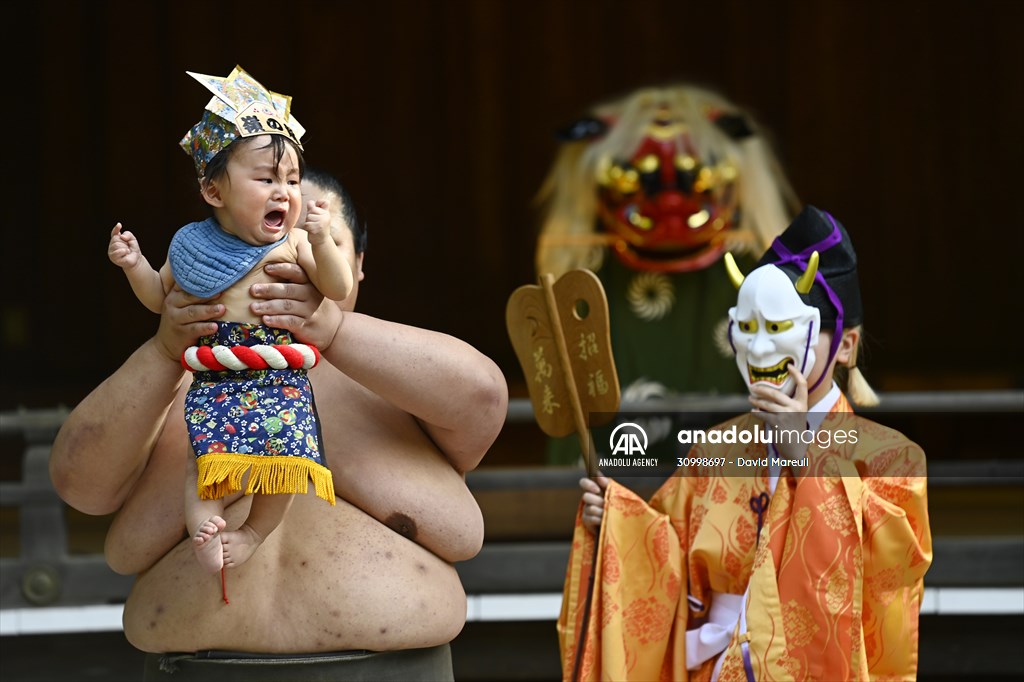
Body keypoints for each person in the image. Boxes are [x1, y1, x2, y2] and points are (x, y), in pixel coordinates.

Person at [51, 159, 508, 678]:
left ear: (355, 263)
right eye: (251, 253)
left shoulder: (400, 387)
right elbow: (79, 482)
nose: (276, 266)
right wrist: (163, 352)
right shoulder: (174, 387)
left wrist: (331, 329)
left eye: (309, 244)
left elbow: (483, 397)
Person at [561, 206, 932, 680]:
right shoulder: (717, 446)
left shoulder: (893, 457)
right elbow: (666, 554)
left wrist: (807, 460)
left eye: (778, 330)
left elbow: (885, 581)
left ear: (845, 345)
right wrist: (616, 519)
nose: (761, 350)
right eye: (749, 329)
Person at [107, 66, 354, 575]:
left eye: (290, 180)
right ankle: (206, 530)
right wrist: (134, 266)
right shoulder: (191, 246)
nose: (283, 192)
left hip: (278, 374)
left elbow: (338, 288)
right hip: (218, 374)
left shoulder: (295, 242)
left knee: (284, 467)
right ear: (214, 192)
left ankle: (255, 532)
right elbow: (159, 298)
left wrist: (326, 238)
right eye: (265, 179)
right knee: (204, 462)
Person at [534, 84, 802, 465]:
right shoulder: (582, 283)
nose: (669, 199)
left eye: (692, 175)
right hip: (615, 478)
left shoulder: (761, 277)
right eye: (639, 177)